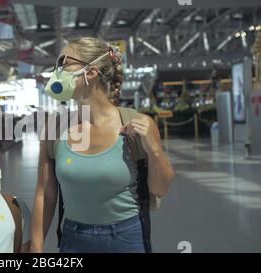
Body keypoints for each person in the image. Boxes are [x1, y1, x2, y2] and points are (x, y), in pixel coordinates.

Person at [31, 37, 175, 253]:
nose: (57, 71)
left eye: (64, 63)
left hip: (127, 239)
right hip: (73, 240)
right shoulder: (55, 128)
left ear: (91, 72)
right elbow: (46, 193)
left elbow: (159, 189)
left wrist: (154, 150)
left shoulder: (137, 124)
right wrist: (36, 246)